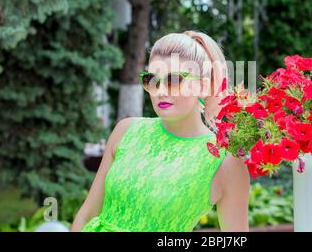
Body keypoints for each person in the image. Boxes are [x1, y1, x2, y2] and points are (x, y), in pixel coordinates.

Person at [71, 30, 250, 232]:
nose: (161, 91)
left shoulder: (225, 161)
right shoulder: (126, 130)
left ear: (202, 86)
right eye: (152, 80)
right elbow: (86, 215)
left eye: (174, 80)